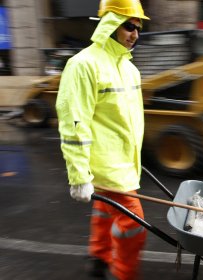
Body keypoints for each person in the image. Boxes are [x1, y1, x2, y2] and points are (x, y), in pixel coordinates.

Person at [55, 0, 150, 279]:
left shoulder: (130, 68)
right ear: (109, 24)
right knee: (135, 225)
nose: (135, 34)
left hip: (122, 162)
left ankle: (98, 258)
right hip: (107, 165)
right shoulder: (83, 65)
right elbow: (74, 122)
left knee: (105, 211)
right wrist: (78, 176)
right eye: (128, 26)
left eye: (138, 27)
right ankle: (122, 273)